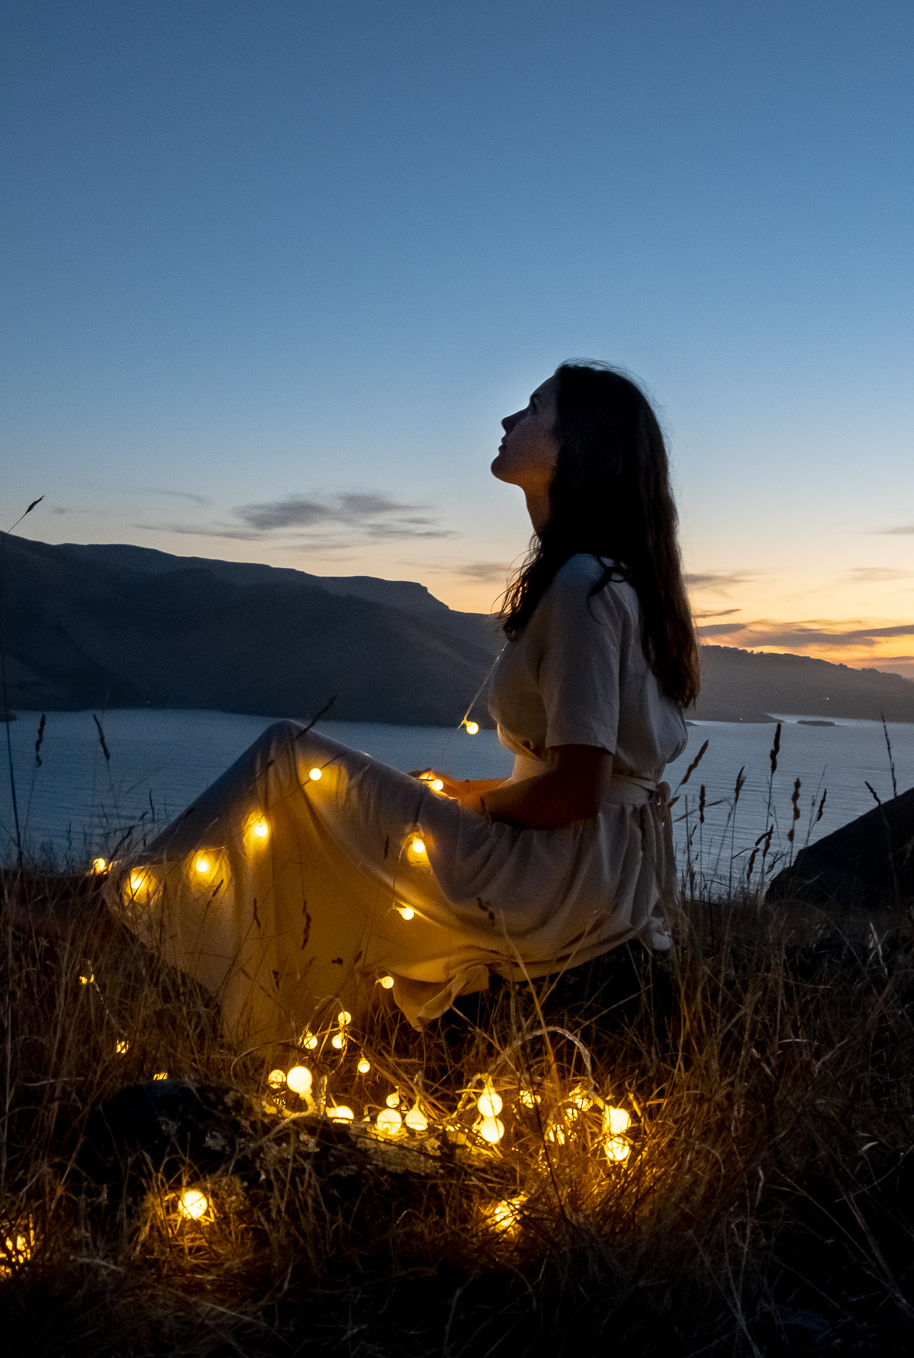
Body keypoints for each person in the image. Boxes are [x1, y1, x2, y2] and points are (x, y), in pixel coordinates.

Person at [111, 363, 697, 1048]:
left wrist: (467, 809)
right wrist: (458, 790)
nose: (508, 421)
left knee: (284, 757)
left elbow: (574, 791)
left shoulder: (580, 586)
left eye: (534, 409)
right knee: (354, 792)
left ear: (583, 444)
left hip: (558, 883)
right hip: (595, 871)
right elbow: (569, 780)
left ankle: (113, 912)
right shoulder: (613, 579)